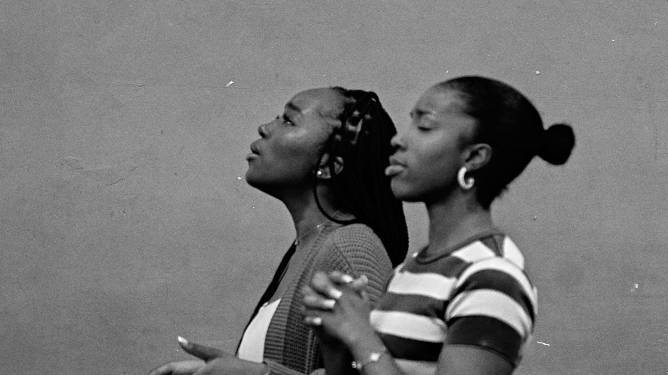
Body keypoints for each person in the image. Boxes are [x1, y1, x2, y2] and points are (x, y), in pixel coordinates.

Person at [302, 76, 575, 375]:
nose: (398, 140)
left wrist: (359, 335)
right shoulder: (411, 270)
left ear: (474, 156)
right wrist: (337, 341)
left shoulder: (491, 276)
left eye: (425, 126)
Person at [148, 87, 408, 375]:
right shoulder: (308, 247)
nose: (265, 128)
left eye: (288, 120)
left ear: (330, 165)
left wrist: (258, 374)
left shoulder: (351, 246)